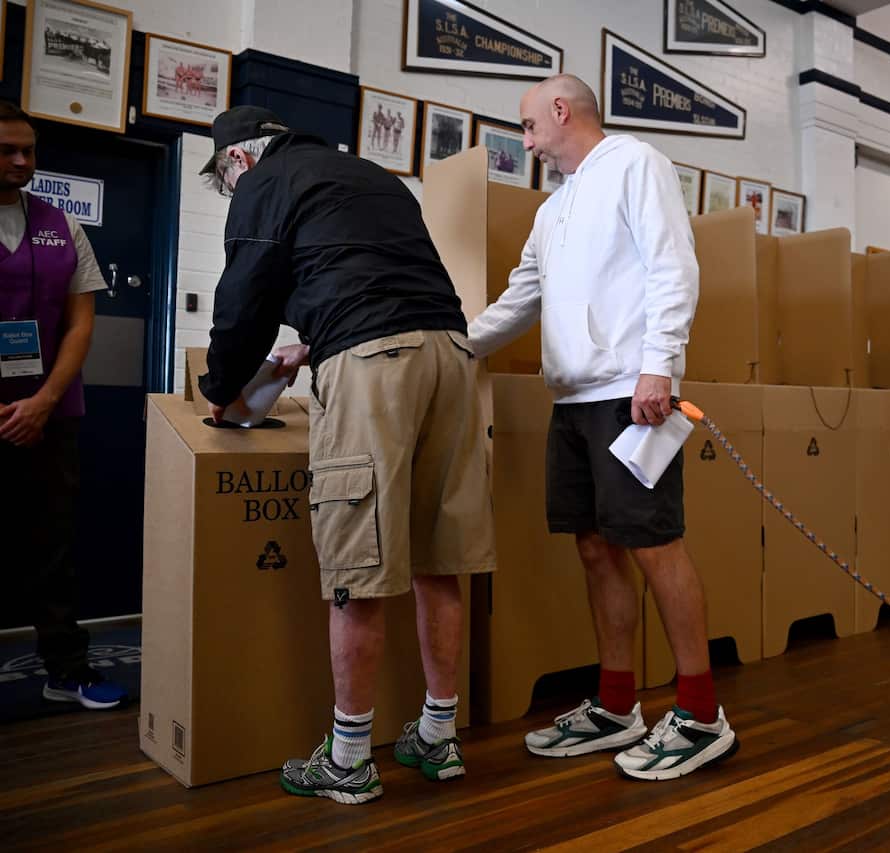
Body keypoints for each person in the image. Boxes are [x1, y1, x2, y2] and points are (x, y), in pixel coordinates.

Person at [198, 105, 496, 804]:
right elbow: (372, 274)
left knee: (355, 564)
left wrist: (221, 389)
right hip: (453, 355)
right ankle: (438, 736)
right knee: (439, 558)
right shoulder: (369, 172)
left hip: (374, 365)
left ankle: (350, 759)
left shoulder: (262, 182)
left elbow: (244, 301)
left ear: (238, 158)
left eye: (227, 181)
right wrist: (315, 339)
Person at [468, 74, 737, 781]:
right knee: (594, 547)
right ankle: (618, 705)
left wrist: (659, 366)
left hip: (630, 392)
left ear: (561, 110)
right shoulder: (552, 209)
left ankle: (702, 714)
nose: (526, 142)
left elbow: (673, 266)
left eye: (529, 126)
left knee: (654, 544)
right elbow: (522, 296)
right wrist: (454, 346)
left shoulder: (636, 163)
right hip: (572, 399)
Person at [0, 101, 126, 710]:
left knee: (52, 548)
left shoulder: (62, 225)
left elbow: (80, 324)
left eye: (29, 150)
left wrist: (43, 401)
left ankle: (66, 670)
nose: (22, 161)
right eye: (7, 150)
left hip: (51, 415)